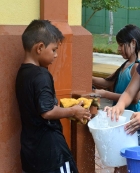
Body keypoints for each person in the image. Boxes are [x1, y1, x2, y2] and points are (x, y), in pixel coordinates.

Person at [16, 20, 91, 173]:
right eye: (54, 50)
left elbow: (37, 106)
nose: (56, 55)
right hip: (52, 152)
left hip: (31, 151)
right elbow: (47, 111)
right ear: (40, 47)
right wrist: (74, 111)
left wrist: (64, 107)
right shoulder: (42, 74)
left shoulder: (22, 74)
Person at [92, 24, 140, 113]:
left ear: (133, 43)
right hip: (121, 113)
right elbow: (107, 82)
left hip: (131, 116)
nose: (118, 49)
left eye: (121, 45)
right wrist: (88, 78)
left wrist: (105, 94)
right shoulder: (126, 64)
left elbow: (134, 99)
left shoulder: (137, 66)